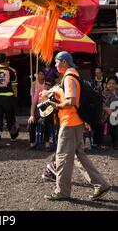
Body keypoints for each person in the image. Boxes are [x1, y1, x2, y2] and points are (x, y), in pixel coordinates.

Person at [43, 51, 111, 201]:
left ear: (64, 62)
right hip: (75, 121)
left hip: (69, 122)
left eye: (56, 62)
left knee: (62, 157)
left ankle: (62, 192)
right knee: (78, 155)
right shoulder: (74, 74)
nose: (55, 65)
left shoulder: (68, 77)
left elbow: (72, 100)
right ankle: (101, 184)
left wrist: (56, 105)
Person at [28, 78, 55, 151]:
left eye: (49, 85)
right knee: (31, 122)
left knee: (45, 122)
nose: (47, 86)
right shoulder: (39, 92)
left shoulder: (53, 94)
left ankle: (47, 142)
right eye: (45, 84)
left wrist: (41, 117)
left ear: (52, 86)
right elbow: (33, 105)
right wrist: (32, 115)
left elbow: (50, 109)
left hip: (48, 115)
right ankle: (32, 142)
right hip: (37, 114)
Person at [89, 67, 106, 149]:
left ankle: (101, 142)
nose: (97, 74)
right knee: (97, 123)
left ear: (102, 73)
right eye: (96, 72)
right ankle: (96, 142)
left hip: (105, 103)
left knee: (101, 123)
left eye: (98, 72)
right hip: (96, 104)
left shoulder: (105, 81)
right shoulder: (92, 82)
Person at [102, 77, 118, 149]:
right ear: (106, 84)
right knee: (114, 121)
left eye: (113, 83)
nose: (111, 85)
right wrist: (115, 115)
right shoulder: (104, 93)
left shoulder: (117, 92)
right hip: (107, 114)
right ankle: (115, 143)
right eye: (109, 83)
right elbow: (104, 107)